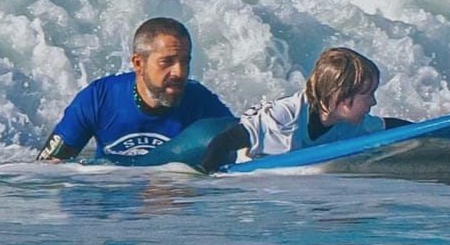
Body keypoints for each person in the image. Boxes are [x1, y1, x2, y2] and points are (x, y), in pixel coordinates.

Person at [38, 17, 235, 162]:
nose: (179, 72)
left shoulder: (201, 102)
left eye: (185, 62)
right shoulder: (99, 98)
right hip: (113, 201)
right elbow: (48, 168)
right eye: (167, 62)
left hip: (174, 204)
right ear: (138, 63)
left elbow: (242, 155)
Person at [197, 46, 412, 173]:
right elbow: (223, 142)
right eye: (368, 95)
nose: (373, 103)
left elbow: (389, 126)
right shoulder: (284, 119)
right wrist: (206, 179)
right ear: (343, 98)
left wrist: (433, 131)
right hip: (215, 139)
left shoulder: (352, 122)